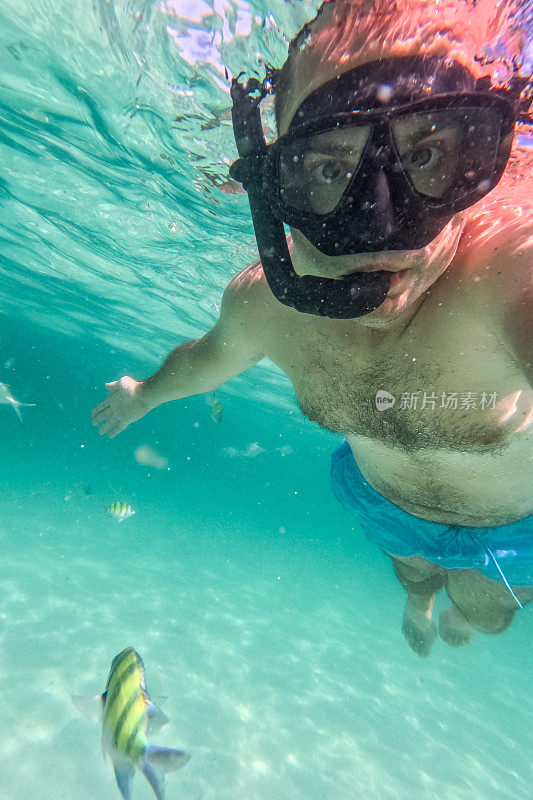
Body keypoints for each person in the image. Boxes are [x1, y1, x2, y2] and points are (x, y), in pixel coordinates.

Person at [92, 0, 533, 657]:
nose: (379, 226)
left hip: (508, 523)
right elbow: (208, 357)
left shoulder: (508, 274)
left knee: (484, 610)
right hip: (379, 499)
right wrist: (146, 393)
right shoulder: (264, 304)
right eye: (329, 169)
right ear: (275, 183)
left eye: (429, 154)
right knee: (409, 570)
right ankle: (415, 598)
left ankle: (459, 620)